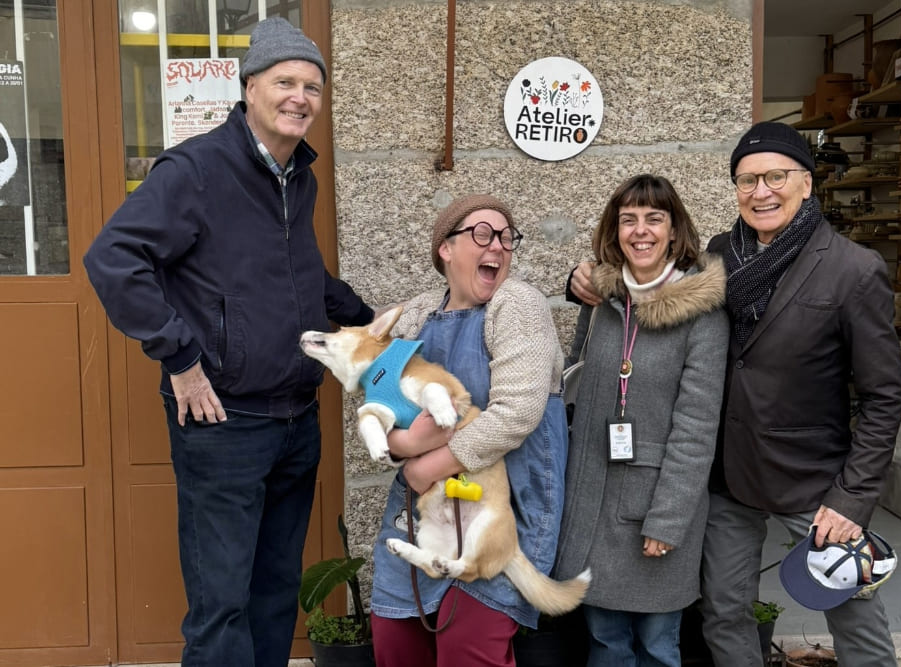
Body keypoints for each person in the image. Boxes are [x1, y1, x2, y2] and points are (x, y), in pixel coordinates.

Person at [83, 18, 373, 667]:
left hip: (297, 421)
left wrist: (372, 321)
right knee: (223, 606)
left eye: (313, 86)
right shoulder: (198, 169)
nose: (300, 97)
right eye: (285, 81)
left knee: (273, 593)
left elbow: (303, 277)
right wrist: (179, 357)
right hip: (225, 425)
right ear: (250, 88)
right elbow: (114, 257)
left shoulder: (299, 176)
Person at [570, 123, 901, 667]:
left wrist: (853, 497)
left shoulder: (853, 269)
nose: (761, 191)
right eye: (747, 180)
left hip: (815, 479)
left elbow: (884, 396)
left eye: (776, 176)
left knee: (851, 609)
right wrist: (583, 280)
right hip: (730, 475)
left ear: (806, 184)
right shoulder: (720, 256)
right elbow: (650, 281)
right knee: (725, 611)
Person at [369, 194, 569, 667]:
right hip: (423, 515)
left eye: (505, 237)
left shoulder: (517, 304)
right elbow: (380, 399)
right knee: (396, 641)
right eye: (482, 234)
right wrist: (401, 445)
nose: (497, 246)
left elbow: (517, 413)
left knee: (468, 652)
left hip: (498, 512)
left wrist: (427, 464)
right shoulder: (416, 313)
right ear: (446, 248)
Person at [552, 174, 728, 667]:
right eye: (628, 219)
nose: (641, 230)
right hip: (592, 508)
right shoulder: (604, 300)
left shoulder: (704, 314)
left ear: (675, 231)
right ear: (615, 230)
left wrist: (668, 520)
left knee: (656, 646)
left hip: (654, 511)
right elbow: (575, 383)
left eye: (654, 218)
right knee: (605, 643)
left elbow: (696, 429)